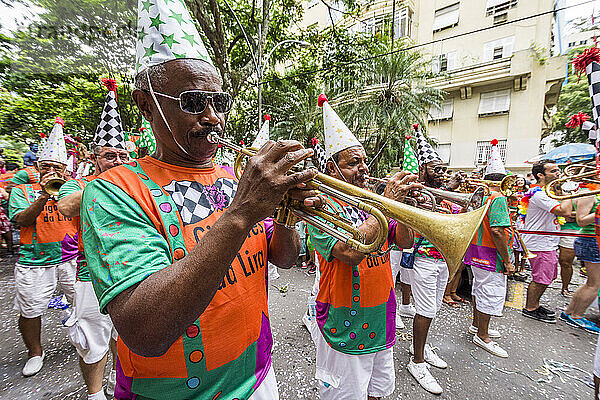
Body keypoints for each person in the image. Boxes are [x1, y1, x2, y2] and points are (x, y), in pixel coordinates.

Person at [81, 2, 321, 398]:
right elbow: (145, 332)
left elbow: (282, 259)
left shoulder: (232, 178)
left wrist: (287, 217)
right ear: (146, 104)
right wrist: (242, 213)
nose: (213, 118)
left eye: (219, 103)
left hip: (260, 376)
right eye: (194, 102)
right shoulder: (111, 191)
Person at [306, 94, 418, 400]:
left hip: (381, 317)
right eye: (354, 162)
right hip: (344, 322)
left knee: (378, 392)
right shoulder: (317, 206)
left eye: (365, 161)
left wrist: (403, 209)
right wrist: (388, 204)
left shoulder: (372, 201)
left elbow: (405, 240)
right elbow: (351, 253)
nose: (364, 169)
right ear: (332, 167)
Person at [57, 79, 128, 400]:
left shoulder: (135, 180)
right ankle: (95, 393)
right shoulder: (78, 184)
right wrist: (107, 184)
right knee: (91, 339)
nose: (116, 159)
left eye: (122, 154)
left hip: (133, 272)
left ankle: (120, 386)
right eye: (109, 154)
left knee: (125, 338)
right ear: (96, 157)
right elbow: (65, 206)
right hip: (91, 276)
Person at [8, 117, 78, 377]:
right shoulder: (22, 191)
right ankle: (35, 352)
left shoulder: (73, 188)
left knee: (81, 302)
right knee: (30, 310)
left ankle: (82, 338)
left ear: (64, 170)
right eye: (45, 166)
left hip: (72, 257)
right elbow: (22, 220)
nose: (50, 170)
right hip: (34, 261)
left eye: (56, 167)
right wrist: (44, 196)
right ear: (37, 167)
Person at [405, 124, 464, 395]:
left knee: (432, 310)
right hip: (425, 258)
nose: (441, 173)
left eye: (443, 168)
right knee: (425, 310)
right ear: (422, 170)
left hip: (443, 259)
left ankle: (422, 346)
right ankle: (416, 362)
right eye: (435, 169)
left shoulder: (446, 193)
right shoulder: (416, 192)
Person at [463, 173, 515, 358]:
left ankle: (477, 325)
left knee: (479, 289)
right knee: (491, 292)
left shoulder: (481, 196)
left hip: (478, 251)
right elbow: (498, 231)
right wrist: (507, 261)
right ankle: (482, 335)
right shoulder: (498, 198)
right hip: (492, 254)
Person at [521, 160, 572, 323]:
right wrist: (568, 190)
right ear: (540, 175)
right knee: (541, 278)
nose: (558, 173)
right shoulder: (538, 194)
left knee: (546, 277)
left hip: (546, 242)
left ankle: (534, 305)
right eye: (553, 171)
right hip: (540, 243)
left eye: (558, 170)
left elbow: (568, 213)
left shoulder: (548, 192)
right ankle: (530, 308)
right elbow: (564, 211)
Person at [559, 188, 600, 334]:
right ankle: (577, 315)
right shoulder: (588, 193)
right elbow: (581, 220)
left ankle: (569, 312)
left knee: (591, 283)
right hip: (591, 240)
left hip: (593, 240)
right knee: (594, 285)